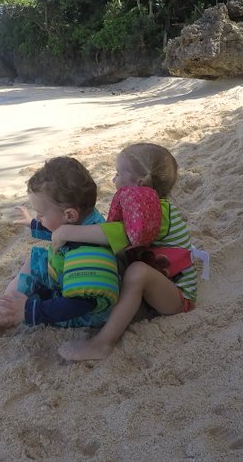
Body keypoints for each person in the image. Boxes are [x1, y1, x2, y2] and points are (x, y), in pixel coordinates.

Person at [55, 143, 206, 361]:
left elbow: (114, 234)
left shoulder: (156, 213)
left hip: (177, 297)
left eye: (117, 174)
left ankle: (102, 343)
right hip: (160, 279)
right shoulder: (147, 207)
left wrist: (65, 232)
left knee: (137, 271)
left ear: (139, 183)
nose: (113, 180)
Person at [0, 156, 120, 338]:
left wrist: (28, 310)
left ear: (70, 215)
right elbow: (59, 230)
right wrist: (33, 223)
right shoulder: (86, 221)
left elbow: (77, 305)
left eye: (41, 214)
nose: (38, 217)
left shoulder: (88, 256)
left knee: (33, 267)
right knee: (36, 261)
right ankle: (1, 313)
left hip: (83, 315)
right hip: (66, 280)